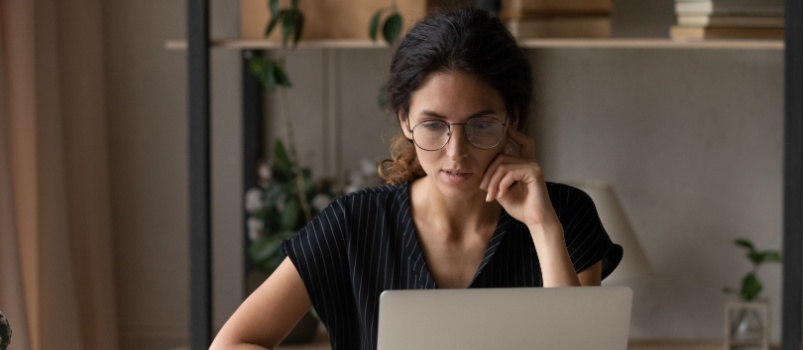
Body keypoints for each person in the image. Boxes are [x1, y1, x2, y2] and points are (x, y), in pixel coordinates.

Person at [210, 6, 622, 350]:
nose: (456, 152)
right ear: (404, 120)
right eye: (433, 125)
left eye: (480, 125)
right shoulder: (354, 223)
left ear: (512, 120)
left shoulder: (565, 213)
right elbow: (232, 343)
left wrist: (543, 227)